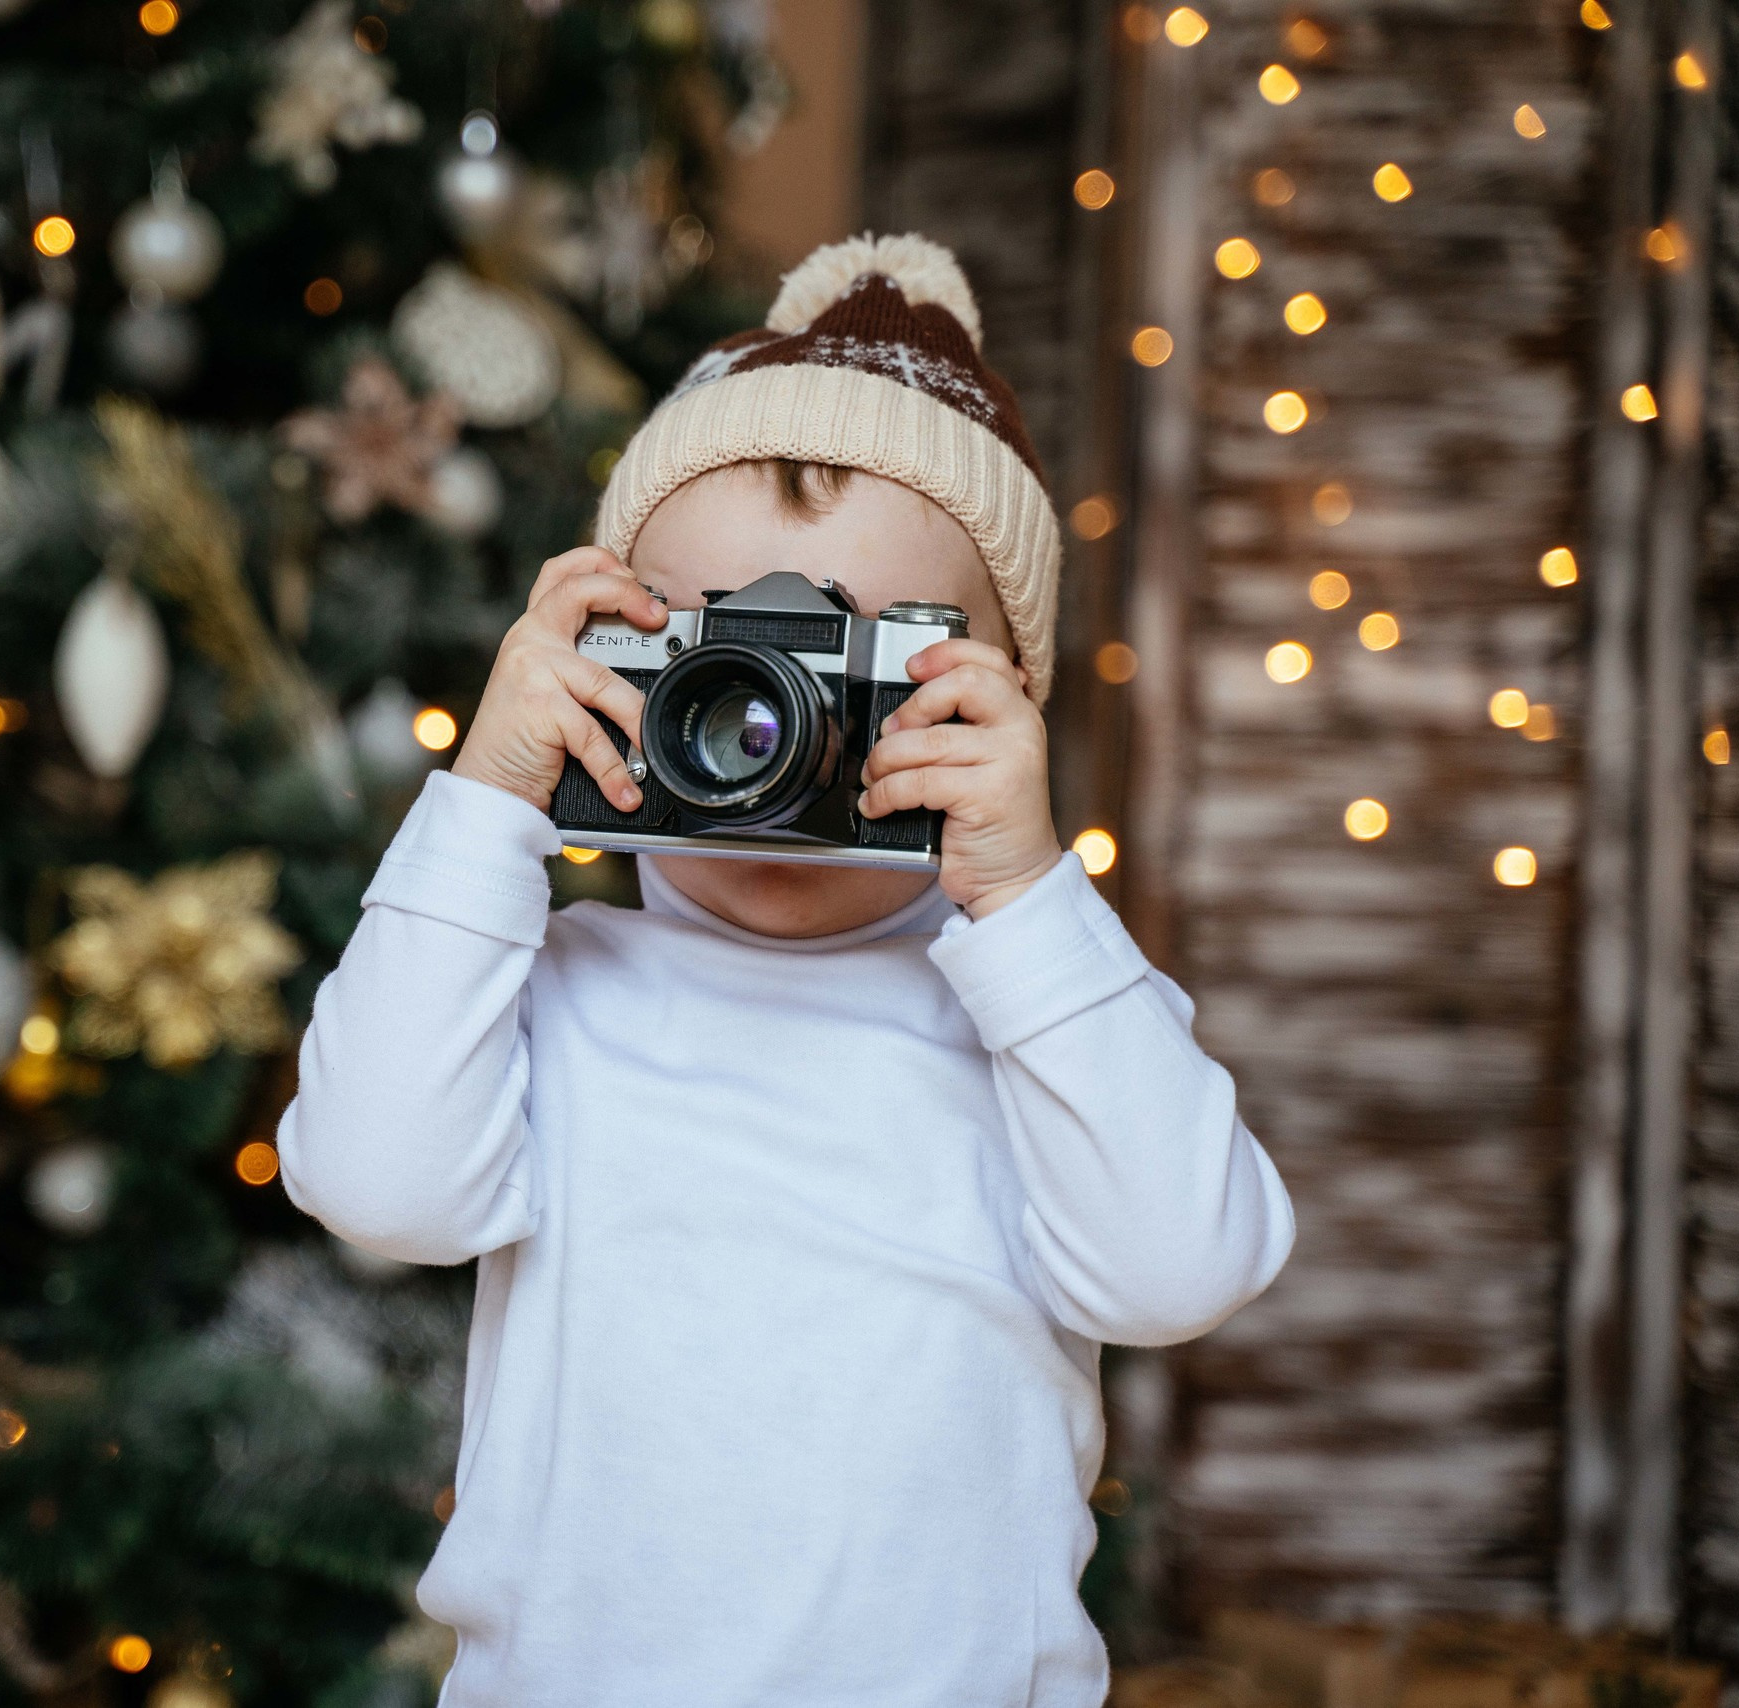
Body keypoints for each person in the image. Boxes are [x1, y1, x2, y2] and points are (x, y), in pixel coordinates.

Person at [278, 233, 1294, 1708]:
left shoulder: (1046, 1009)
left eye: (850, 659)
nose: (769, 719)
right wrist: (489, 802)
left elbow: (1180, 1271)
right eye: (712, 648)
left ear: (1005, 700)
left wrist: (1025, 898)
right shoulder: (544, 990)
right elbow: (372, 1184)